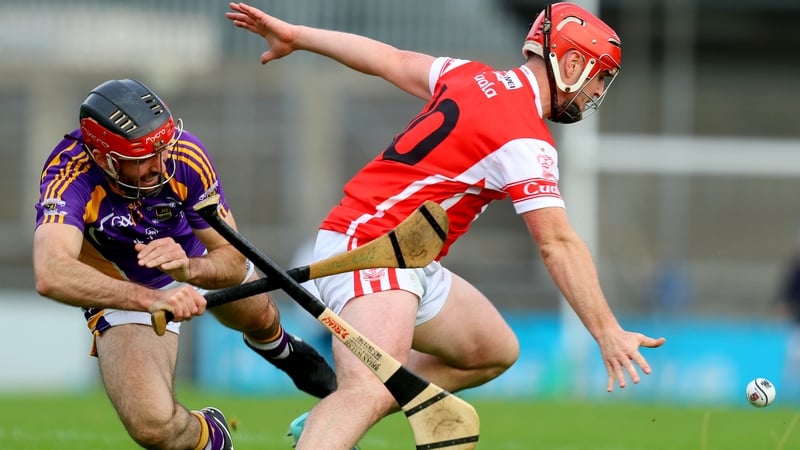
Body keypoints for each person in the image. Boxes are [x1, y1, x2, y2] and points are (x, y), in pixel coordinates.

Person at [226, 2, 667, 448]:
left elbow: (389, 59)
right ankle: (343, 414)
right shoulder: (526, 140)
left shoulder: (470, 75)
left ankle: (336, 413)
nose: (595, 90)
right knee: (369, 387)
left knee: (491, 352)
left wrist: (298, 36)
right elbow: (557, 242)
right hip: (373, 248)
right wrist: (607, 331)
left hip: (408, 254)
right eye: (598, 76)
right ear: (572, 63)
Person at [32, 78, 337, 450]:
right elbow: (51, 272)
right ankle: (213, 438)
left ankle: (281, 349)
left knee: (259, 316)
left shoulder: (185, 156)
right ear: (104, 158)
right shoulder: (70, 174)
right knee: (153, 428)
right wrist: (148, 299)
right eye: (142, 158)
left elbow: (230, 257)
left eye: (162, 149)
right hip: (125, 285)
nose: (160, 166)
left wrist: (189, 270)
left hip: (191, 254)